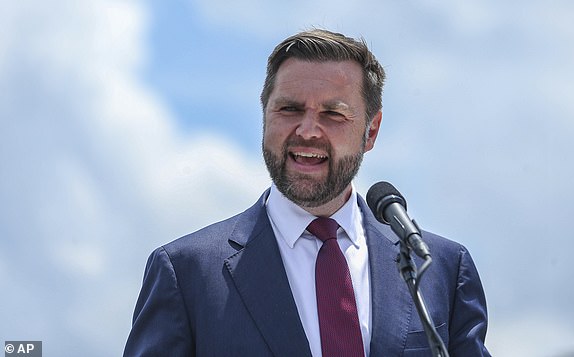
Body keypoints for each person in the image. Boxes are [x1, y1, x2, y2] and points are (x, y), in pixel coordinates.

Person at [123, 28, 491, 357]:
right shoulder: (187, 273)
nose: (308, 129)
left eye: (333, 114)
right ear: (265, 114)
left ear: (371, 131)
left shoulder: (441, 267)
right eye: (289, 109)